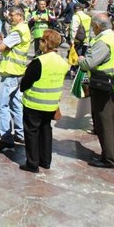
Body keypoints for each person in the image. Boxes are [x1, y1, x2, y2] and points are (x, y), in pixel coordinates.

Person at [78, 13, 114, 169]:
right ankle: (113, 153)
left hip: (104, 87)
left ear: (98, 26)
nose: (92, 29)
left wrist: (80, 60)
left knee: (104, 123)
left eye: (93, 26)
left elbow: (89, 64)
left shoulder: (104, 41)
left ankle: (109, 158)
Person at [19, 29, 70, 173]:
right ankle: (45, 160)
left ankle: (32, 163)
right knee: (46, 130)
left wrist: (22, 86)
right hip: (51, 103)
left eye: (41, 40)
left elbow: (26, 82)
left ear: (46, 43)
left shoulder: (39, 61)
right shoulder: (62, 62)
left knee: (32, 132)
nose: (39, 42)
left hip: (34, 103)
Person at [0, 6, 30, 151]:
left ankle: (6, 138)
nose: (10, 17)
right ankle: (20, 133)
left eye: (12, 15)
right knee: (16, 103)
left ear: (20, 16)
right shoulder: (24, 28)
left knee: (1, 105)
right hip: (18, 71)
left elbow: (2, 47)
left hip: (10, 72)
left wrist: (1, 42)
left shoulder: (18, 31)